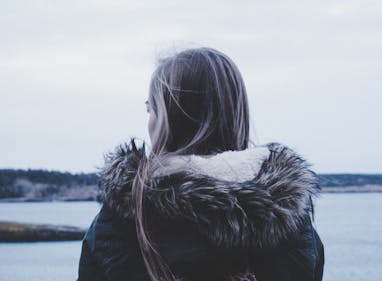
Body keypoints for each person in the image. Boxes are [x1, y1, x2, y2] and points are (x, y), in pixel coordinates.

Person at [77, 47, 324, 281]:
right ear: (235, 114)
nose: (149, 122)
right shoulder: (287, 216)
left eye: (151, 109)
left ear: (167, 121)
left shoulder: (128, 213)